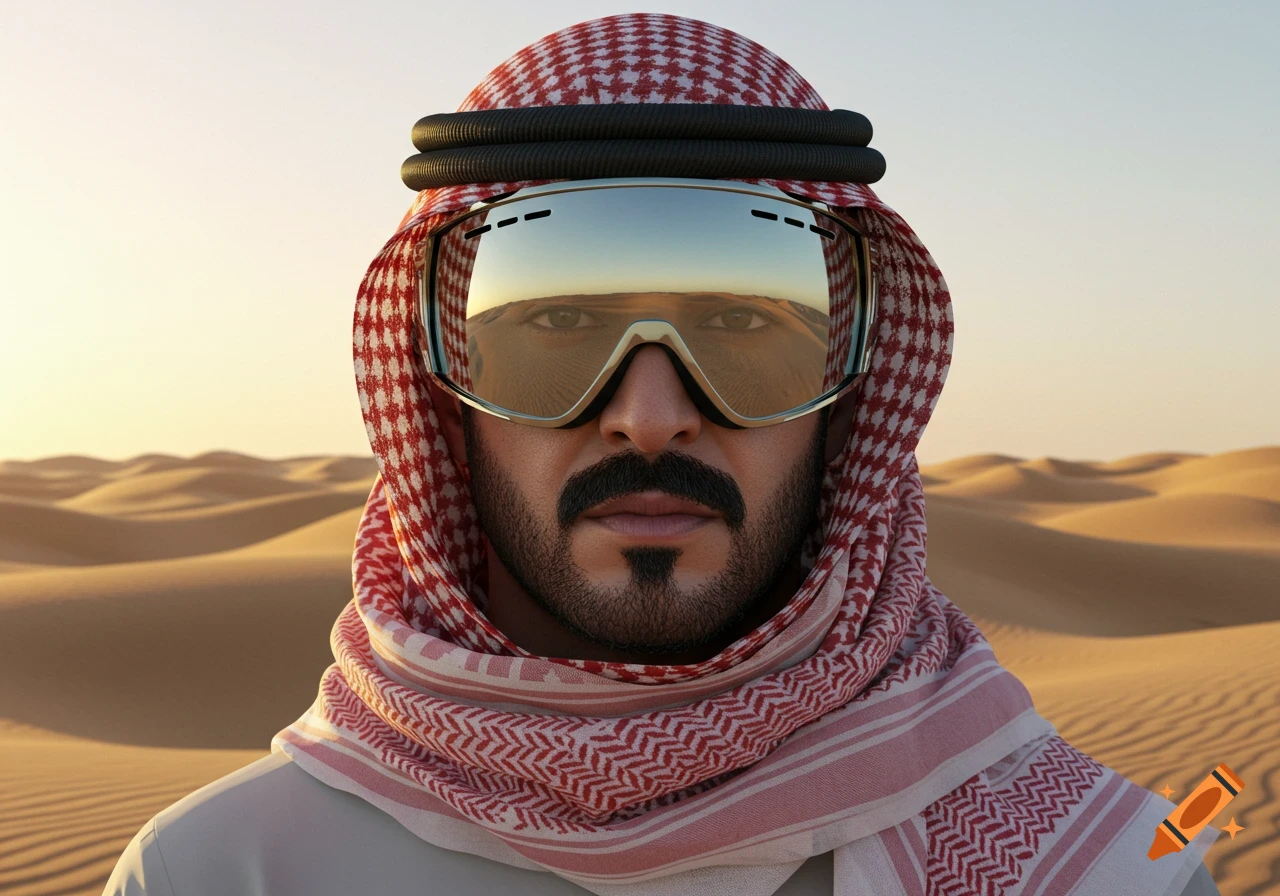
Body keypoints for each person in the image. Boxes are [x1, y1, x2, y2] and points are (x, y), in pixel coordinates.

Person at [104, 13, 1221, 896]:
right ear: (440, 389)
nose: (647, 414)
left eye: (741, 330)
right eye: (554, 331)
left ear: (856, 394)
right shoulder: (216, 874)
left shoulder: (1106, 868)